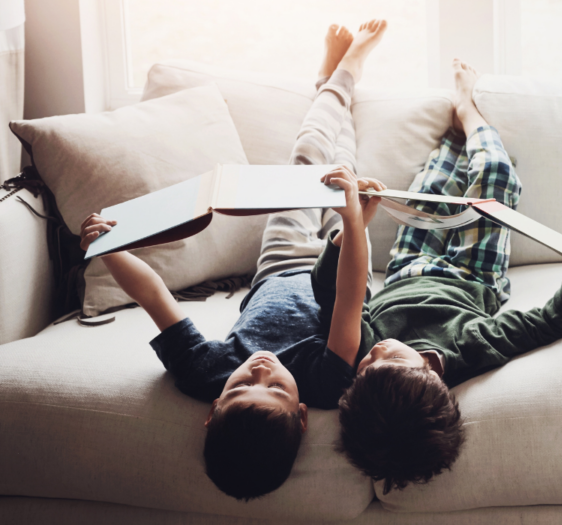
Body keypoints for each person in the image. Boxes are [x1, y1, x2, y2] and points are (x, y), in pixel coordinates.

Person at [77, 20, 389, 501]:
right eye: (278, 389)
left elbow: (154, 296)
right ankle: (336, 80)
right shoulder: (326, 384)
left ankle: (339, 76)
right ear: (302, 414)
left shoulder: (204, 373)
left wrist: (107, 251)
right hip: (342, 265)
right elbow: (348, 298)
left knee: (309, 158)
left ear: (214, 406)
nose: (261, 369)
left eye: (243, 385)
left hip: (280, 264)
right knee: (345, 172)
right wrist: (352, 226)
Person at [333, 59, 562, 494]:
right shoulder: (471, 347)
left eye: (366, 366)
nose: (376, 350)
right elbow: (548, 324)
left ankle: (455, 141)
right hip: (473, 274)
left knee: (432, 184)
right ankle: (469, 111)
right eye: (391, 359)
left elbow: (342, 293)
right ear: (432, 376)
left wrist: (352, 231)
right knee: (495, 179)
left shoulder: (367, 369)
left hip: (407, 267)